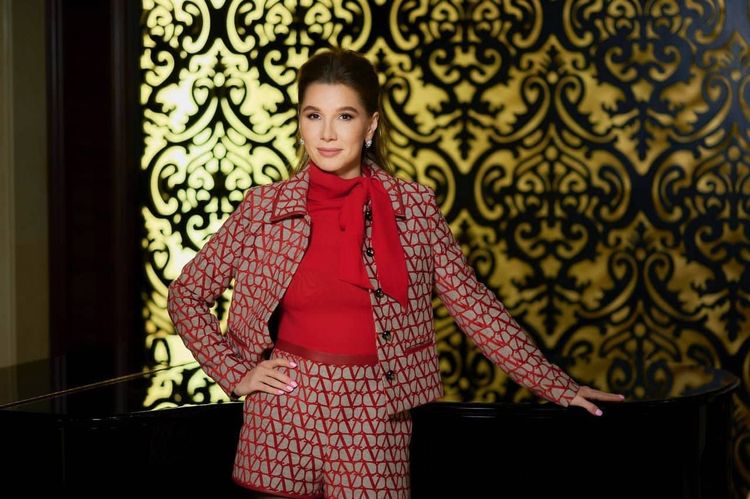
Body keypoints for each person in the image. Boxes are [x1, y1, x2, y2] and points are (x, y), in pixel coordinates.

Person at [167, 47, 625, 498]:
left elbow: (475, 308)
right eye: (313, 115)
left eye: (345, 116)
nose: (327, 133)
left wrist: (558, 386)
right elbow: (186, 295)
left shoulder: (414, 209)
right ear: (300, 122)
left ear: (371, 125)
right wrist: (237, 373)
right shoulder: (264, 208)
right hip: (282, 411)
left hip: (376, 412)